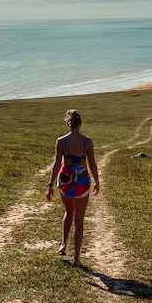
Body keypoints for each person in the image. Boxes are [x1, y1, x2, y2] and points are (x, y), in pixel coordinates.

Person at [46, 109, 100, 265]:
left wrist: (50, 184)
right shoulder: (87, 141)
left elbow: (57, 164)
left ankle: (63, 244)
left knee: (68, 211)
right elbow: (92, 163)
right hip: (82, 179)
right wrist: (97, 181)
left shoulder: (61, 141)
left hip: (65, 179)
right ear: (80, 123)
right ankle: (77, 258)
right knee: (79, 219)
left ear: (67, 123)